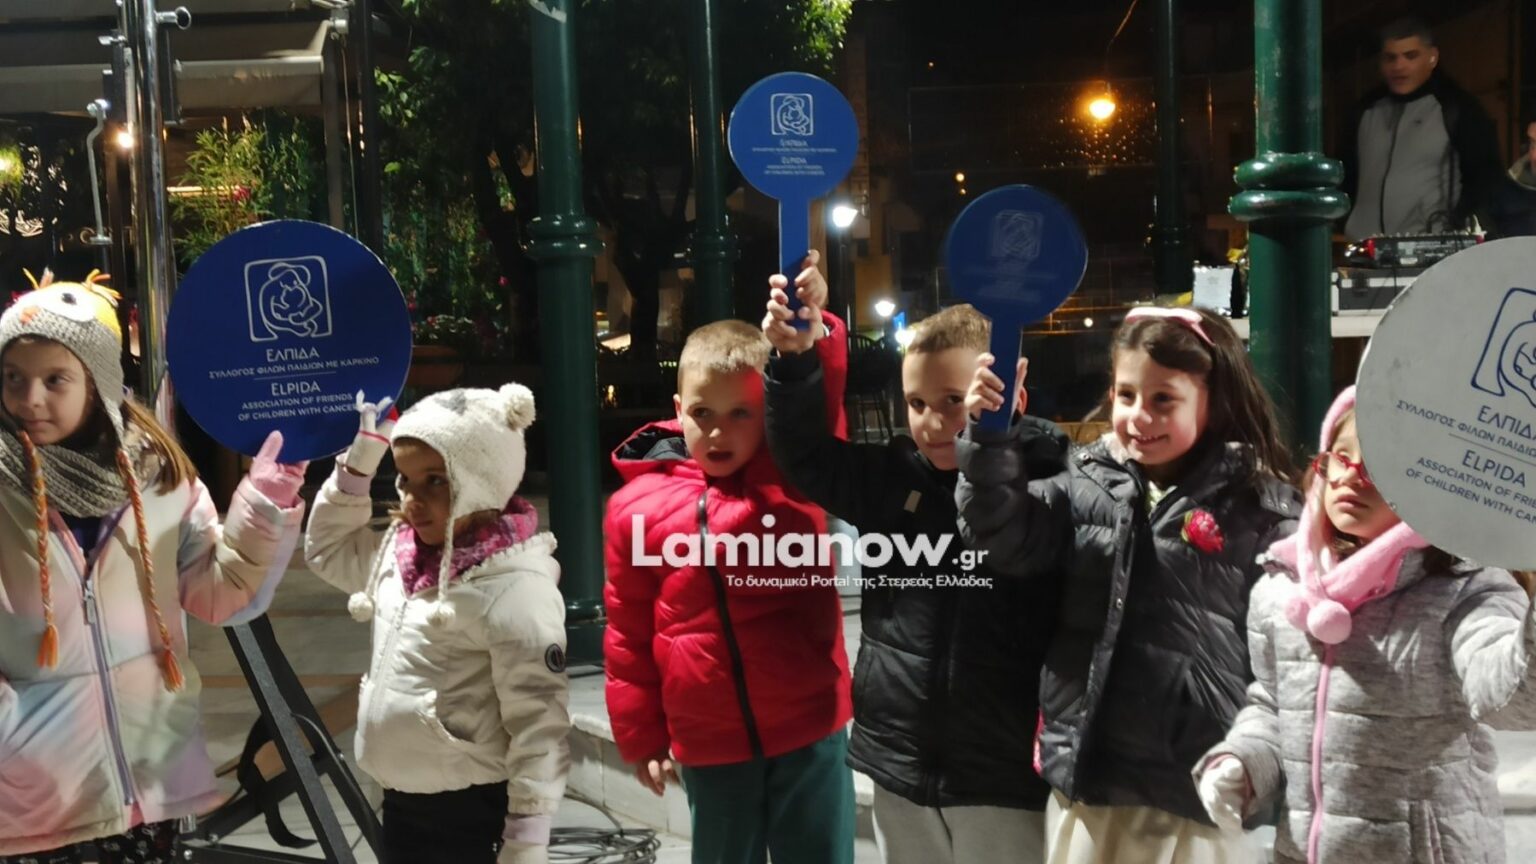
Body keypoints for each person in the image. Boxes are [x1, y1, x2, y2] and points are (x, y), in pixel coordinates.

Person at [956, 306, 1302, 863]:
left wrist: (1258, 766)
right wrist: (989, 439)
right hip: (1093, 781)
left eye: (1164, 399)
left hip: (1198, 790)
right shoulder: (1086, 482)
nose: (1140, 416)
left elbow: (1289, 663)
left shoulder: (1263, 511)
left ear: (1214, 400)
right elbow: (1001, 532)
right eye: (1126, 394)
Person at [0, 273, 307, 862]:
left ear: (98, 382)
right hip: (34, 790)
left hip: (149, 779)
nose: (29, 398)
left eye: (54, 380)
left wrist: (266, 501)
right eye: (14, 378)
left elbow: (221, 592)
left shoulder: (159, 480)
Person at [762, 287, 1066, 864]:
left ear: (1012, 394)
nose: (933, 422)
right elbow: (804, 455)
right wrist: (795, 360)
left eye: (954, 400)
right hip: (900, 762)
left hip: (1003, 774)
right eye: (916, 402)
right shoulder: (890, 478)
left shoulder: (1050, 486)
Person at [1194, 386, 1536, 863]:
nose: (1351, 477)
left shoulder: (1463, 589)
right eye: (1341, 456)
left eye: (1379, 464)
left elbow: (1516, 702)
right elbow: (1273, 705)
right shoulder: (1282, 588)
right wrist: (1243, 762)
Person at [603, 303, 855, 864]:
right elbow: (627, 632)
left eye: (742, 412)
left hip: (808, 722)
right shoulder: (634, 508)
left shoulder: (794, 473)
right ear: (678, 410)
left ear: (770, 411)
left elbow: (821, 401)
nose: (718, 431)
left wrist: (812, 328)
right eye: (703, 412)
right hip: (709, 739)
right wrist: (641, 733)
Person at [304, 384, 569, 864]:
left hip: (470, 806)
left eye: (436, 481)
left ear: (482, 480)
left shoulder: (515, 590)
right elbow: (327, 550)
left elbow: (540, 722)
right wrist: (360, 464)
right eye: (405, 480)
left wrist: (527, 837)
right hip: (402, 796)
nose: (413, 498)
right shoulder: (399, 554)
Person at [1342, 17, 1506, 239]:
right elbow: (1346, 174)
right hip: (1366, 246)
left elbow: (1485, 175)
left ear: (1432, 57)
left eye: (1410, 56)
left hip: (1431, 245)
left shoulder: (1457, 108)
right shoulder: (1365, 111)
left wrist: (1456, 221)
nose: (1399, 66)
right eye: (1390, 58)